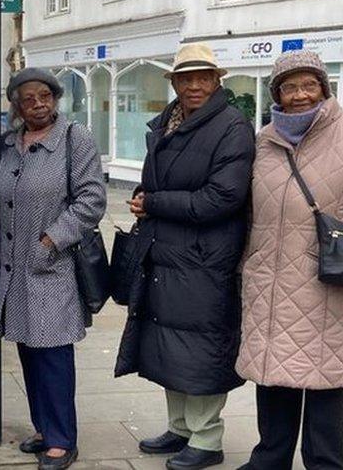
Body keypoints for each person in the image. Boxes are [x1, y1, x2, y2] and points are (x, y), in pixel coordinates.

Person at [115, 43, 254, 470]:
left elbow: (222, 197)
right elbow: (160, 185)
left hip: (204, 260)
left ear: (217, 81)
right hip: (165, 253)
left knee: (201, 347)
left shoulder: (232, 126)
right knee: (167, 342)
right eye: (185, 77)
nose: (194, 85)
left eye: (203, 77)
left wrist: (155, 203)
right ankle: (180, 429)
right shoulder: (167, 124)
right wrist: (144, 199)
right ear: (174, 82)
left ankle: (207, 440)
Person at [236, 50, 343, 470]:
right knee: (274, 372)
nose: (299, 95)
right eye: (289, 87)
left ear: (323, 88)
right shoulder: (264, 140)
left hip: (328, 280)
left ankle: (326, 463)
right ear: (276, 93)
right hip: (269, 278)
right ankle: (270, 459)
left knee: (327, 378)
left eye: (308, 85)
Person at [0, 68, 106, 470]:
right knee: (28, 350)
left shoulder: (75, 139)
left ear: (56, 98)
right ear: (17, 105)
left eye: (45, 96)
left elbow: (92, 199)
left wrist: (50, 240)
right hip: (14, 268)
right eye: (29, 98)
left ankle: (62, 439)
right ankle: (45, 427)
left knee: (53, 353)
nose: (39, 104)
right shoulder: (10, 144)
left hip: (51, 265)